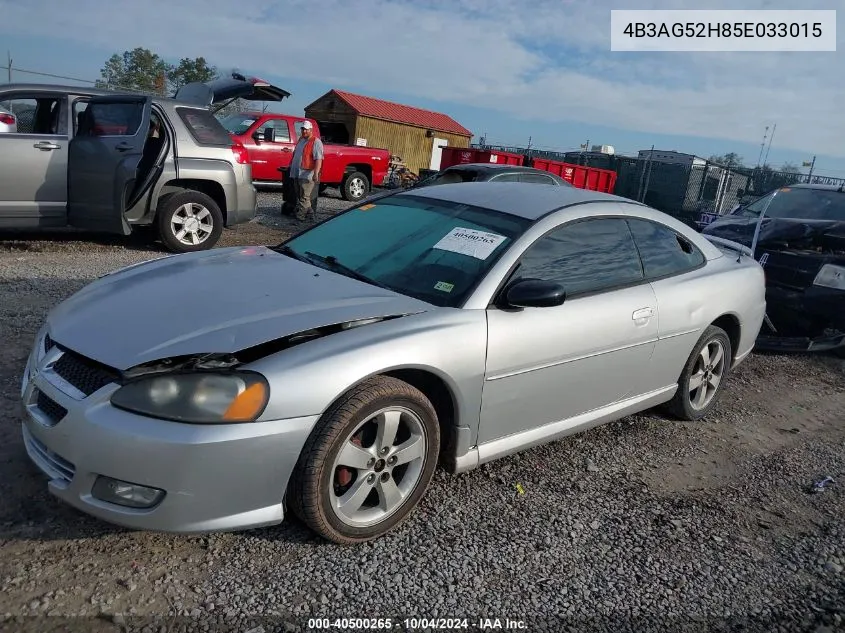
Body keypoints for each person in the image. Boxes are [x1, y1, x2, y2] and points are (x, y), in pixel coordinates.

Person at [287, 120, 324, 222]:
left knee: (304, 197)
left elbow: (318, 159)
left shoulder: (316, 142)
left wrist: (316, 173)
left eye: (306, 129)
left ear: (311, 130)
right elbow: (296, 155)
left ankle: (300, 218)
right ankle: (311, 215)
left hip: (307, 173)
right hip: (297, 172)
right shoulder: (301, 140)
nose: (304, 132)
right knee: (301, 196)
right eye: (303, 129)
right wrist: (290, 165)